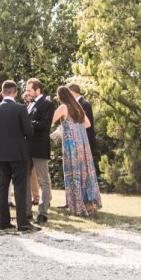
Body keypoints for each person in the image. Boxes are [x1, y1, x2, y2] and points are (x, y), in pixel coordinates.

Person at [0, 80, 38, 232]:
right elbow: (29, 130)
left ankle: (3, 222)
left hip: (1, 154)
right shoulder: (20, 108)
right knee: (20, 189)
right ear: (15, 92)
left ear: (2, 92)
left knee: (2, 188)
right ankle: (22, 223)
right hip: (18, 153)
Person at [52, 86, 102, 217]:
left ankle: (78, 205)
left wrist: (64, 130)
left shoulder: (63, 107)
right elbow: (87, 124)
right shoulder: (78, 107)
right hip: (82, 144)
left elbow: (50, 121)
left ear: (60, 96)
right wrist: (75, 128)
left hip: (71, 145)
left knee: (73, 173)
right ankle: (89, 204)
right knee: (84, 172)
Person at [25, 78, 54, 224]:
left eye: (29, 90)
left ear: (37, 90)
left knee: (43, 179)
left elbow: (44, 124)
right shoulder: (29, 104)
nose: (27, 92)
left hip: (39, 146)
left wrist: (26, 123)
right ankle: (26, 211)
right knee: (25, 179)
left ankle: (43, 212)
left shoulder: (48, 104)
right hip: (26, 147)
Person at [68, 83, 99, 174]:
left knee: (86, 167)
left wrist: (72, 129)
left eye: (69, 93)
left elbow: (88, 124)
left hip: (86, 139)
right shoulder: (74, 104)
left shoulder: (84, 104)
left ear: (73, 92)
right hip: (78, 140)